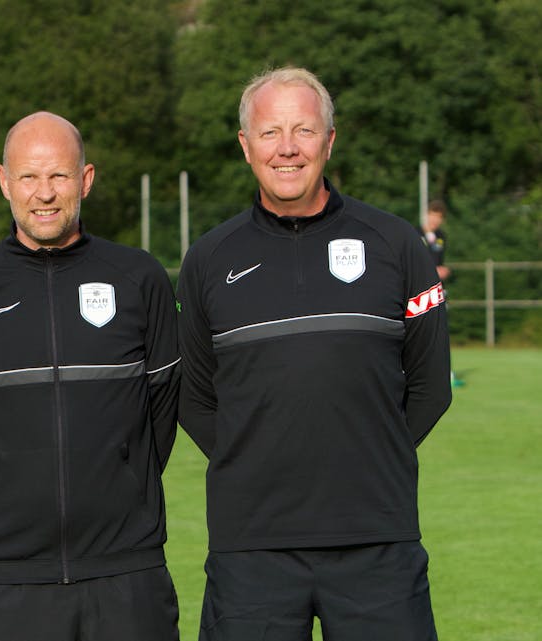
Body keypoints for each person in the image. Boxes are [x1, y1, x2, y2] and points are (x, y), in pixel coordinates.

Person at [177, 67, 452, 641]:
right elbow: (194, 395)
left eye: (303, 130)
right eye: (270, 131)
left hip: (376, 540)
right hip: (251, 548)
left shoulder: (395, 245)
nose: (287, 149)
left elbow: (430, 386)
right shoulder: (207, 260)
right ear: (245, 145)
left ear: (329, 141)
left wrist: (369, 457)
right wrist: (252, 463)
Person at [0, 111, 181, 641]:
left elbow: (161, 414)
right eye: (29, 177)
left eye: (59, 176)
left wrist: (122, 480)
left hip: (125, 574)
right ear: (4, 181)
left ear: (85, 180)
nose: (44, 193)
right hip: (4, 576)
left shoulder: (139, 277)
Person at [419, 200, 451, 281]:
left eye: (439, 217)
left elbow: (439, 260)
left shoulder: (441, 236)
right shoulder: (415, 234)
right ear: (426, 215)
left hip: (436, 283)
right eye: (433, 215)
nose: (435, 220)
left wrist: (443, 270)